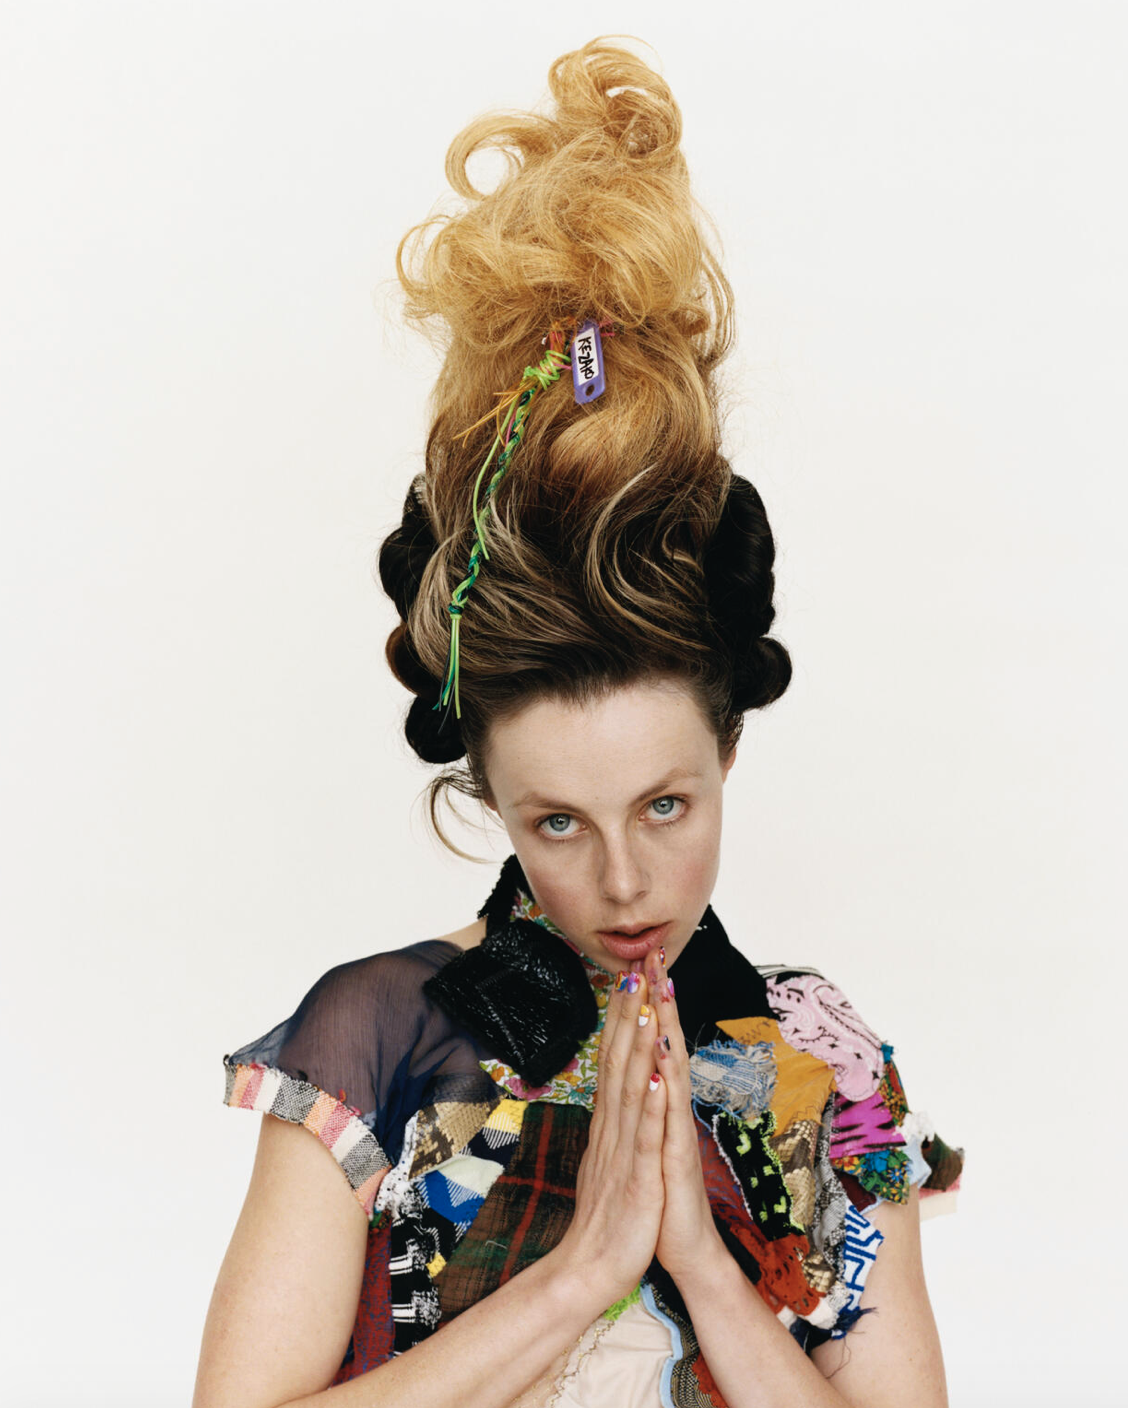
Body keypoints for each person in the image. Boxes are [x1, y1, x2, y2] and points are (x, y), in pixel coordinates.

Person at [193, 38, 962, 1408]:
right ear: (489, 793)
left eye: (666, 805)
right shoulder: (379, 1034)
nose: (625, 883)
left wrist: (703, 1267)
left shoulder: (818, 1073)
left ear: (729, 751)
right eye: (558, 822)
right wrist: (578, 1269)